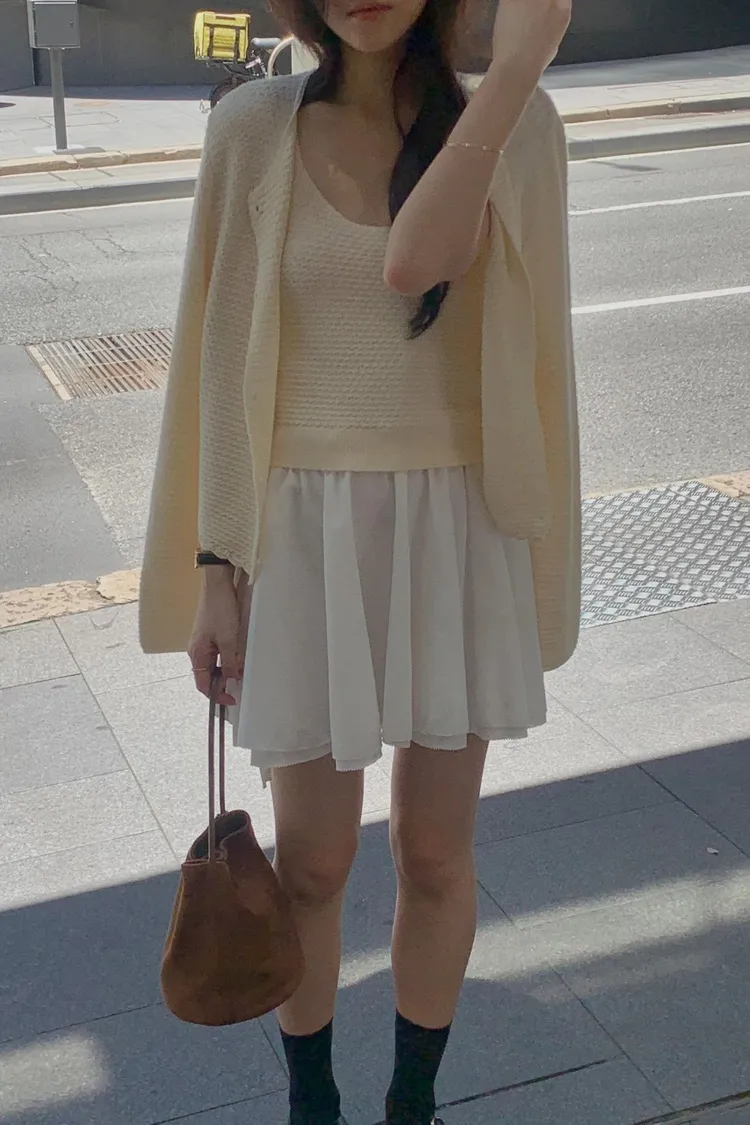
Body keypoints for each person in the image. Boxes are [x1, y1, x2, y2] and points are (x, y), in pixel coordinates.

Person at [139, 0, 579, 1120]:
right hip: (302, 532)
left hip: (459, 525)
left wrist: (511, 78)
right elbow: (223, 358)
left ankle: (411, 1105)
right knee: (313, 864)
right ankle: (316, 1103)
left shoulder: (516, 125)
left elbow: (519, 343)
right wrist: (216, 569)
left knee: (435, 854)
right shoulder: (252, 128)